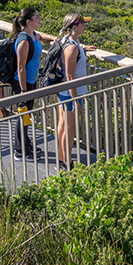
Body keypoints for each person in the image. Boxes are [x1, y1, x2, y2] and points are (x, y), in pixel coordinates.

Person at [54, 13, 96, 170]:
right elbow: (70, 76)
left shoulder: (66, 41)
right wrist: (74, 100)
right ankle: (67, 163)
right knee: (69, 129)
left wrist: (83, 48)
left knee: (62, 126)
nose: (85, 26)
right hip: (70, 93)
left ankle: (61, 159)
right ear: (74, 27)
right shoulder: (71, 48)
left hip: (63, 91)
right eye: (82, 24)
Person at [11, 7, 43, 161]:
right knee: (23, 116)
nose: (40, 19)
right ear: (28, 21)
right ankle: (20, 151)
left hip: (30, 81)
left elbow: (42, 37)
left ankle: (26, 143)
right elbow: (20, 67)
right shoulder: (23, 40)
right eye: (36, 17)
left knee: (26, 116)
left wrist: (55, 39)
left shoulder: (33, 35)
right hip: (22, 84)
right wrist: (24, 91)